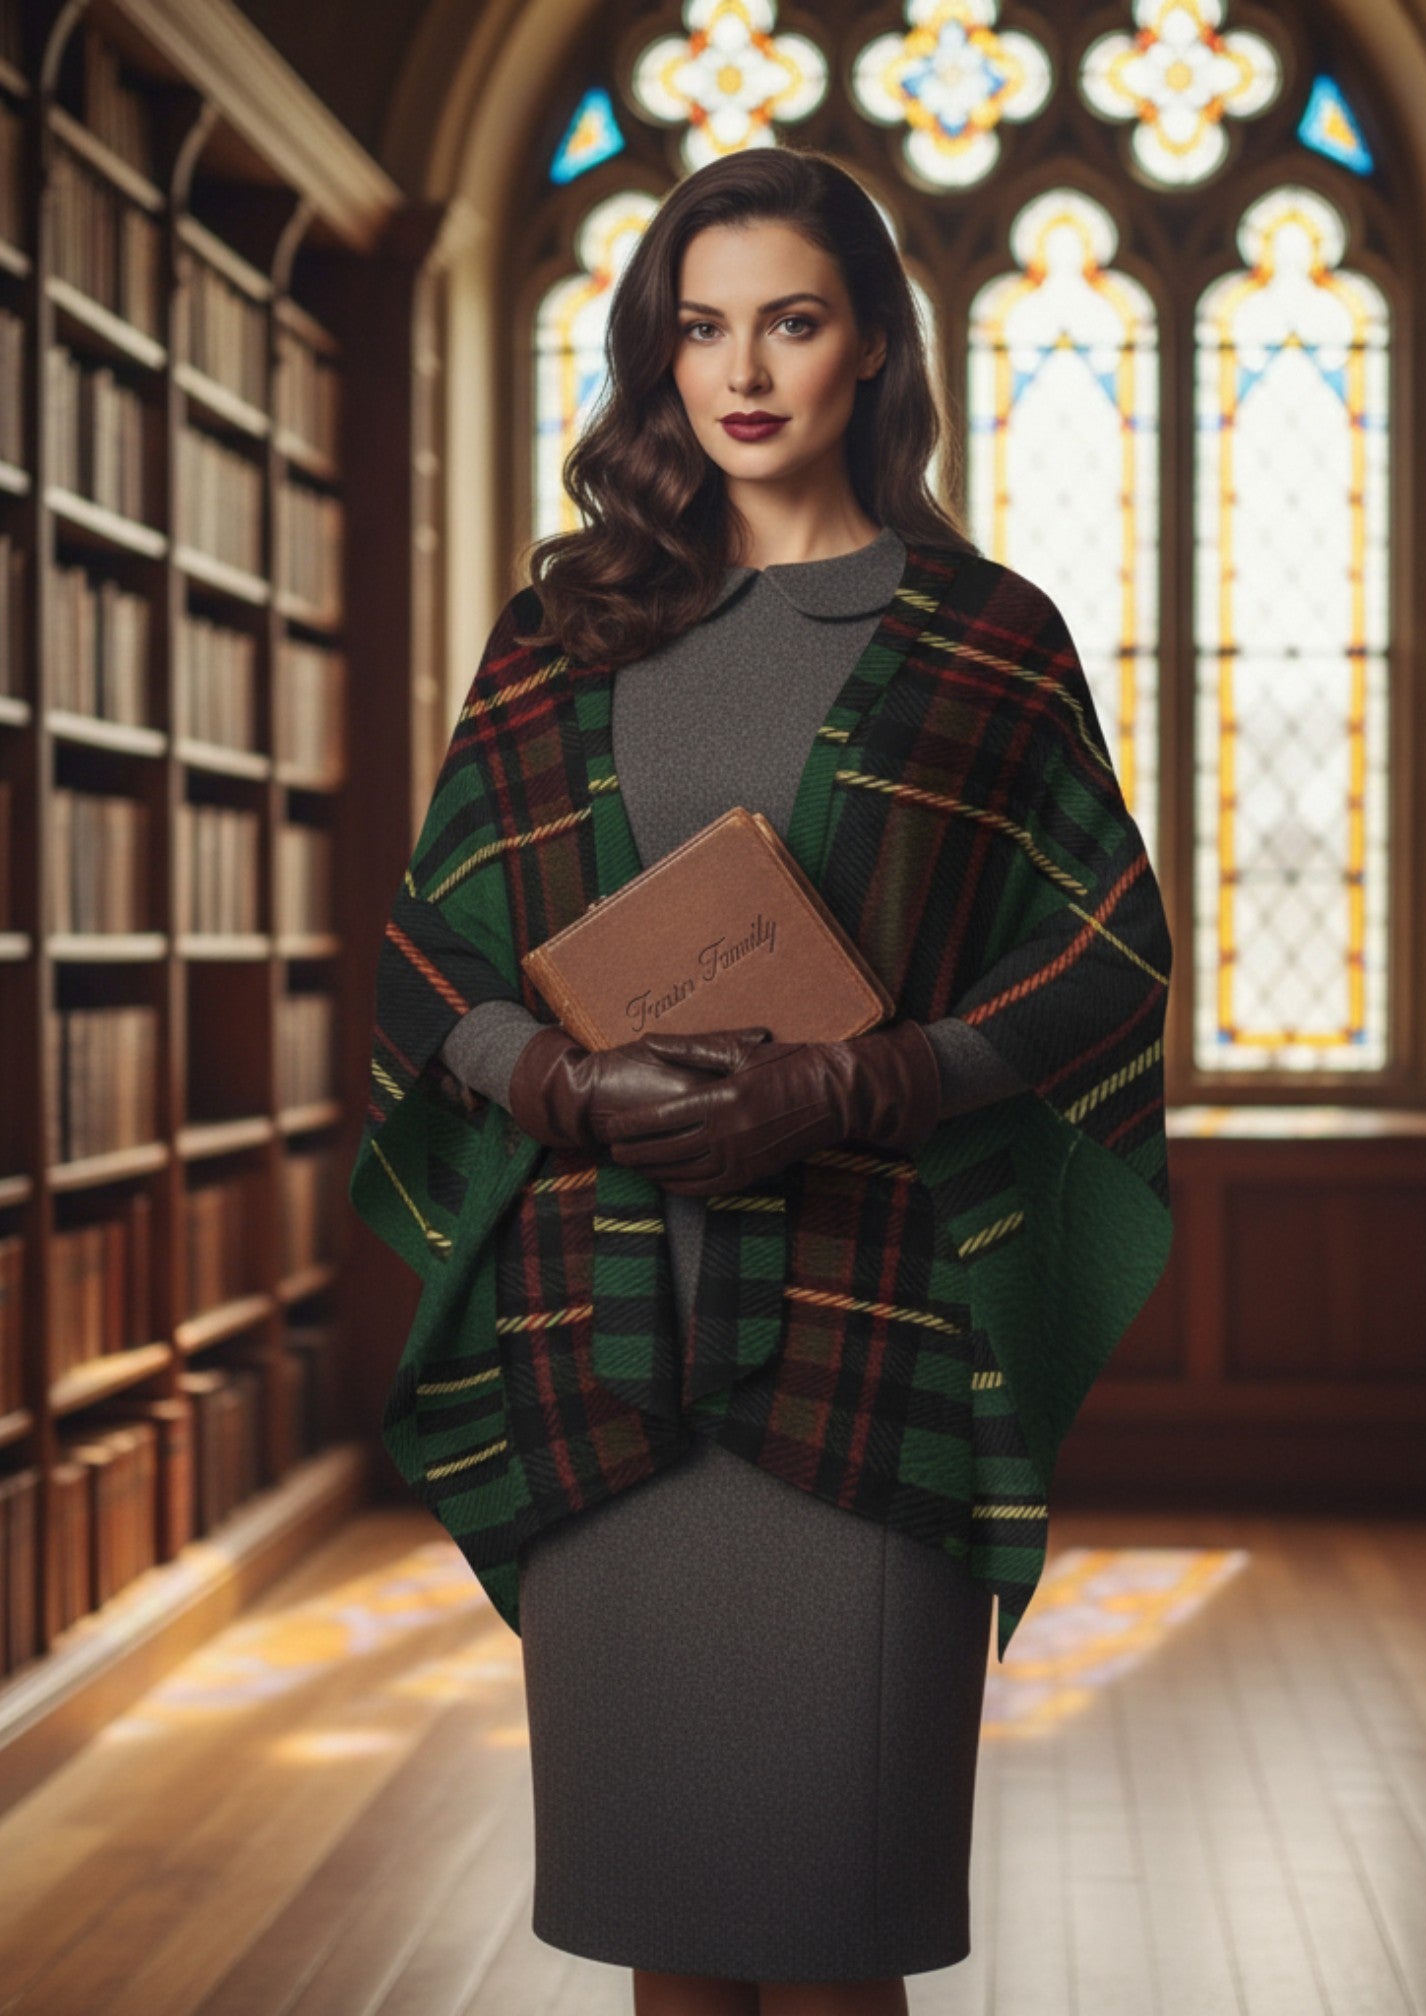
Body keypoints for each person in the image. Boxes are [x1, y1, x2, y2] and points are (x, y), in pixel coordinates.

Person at [349, 146, 1174, 2016]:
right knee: (671, 1938)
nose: (743, 371)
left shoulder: (988, 637)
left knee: (829, 1938)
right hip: (598, 1342)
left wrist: (865, 1084)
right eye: (699, 328)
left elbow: (1107, 956)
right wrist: (554, 1086)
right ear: (658, 357)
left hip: (871, 1345)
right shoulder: (561, 634)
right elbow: (422, 963)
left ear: (871, 344)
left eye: (790, 321)